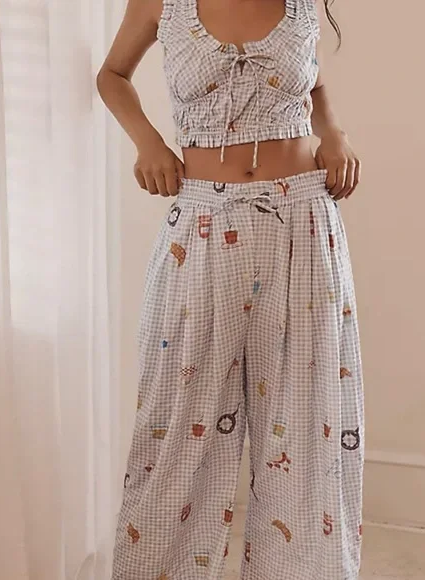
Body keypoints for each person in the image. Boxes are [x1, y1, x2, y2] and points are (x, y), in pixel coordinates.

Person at [97, 0, 364, 578]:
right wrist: (148, 142)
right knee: (176, 426)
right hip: (203, 223)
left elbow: (314, 83)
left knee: (305, 424)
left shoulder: (301, 4)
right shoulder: (161, 4)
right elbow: (112, 75)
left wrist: (334, 134)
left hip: (302, 221)